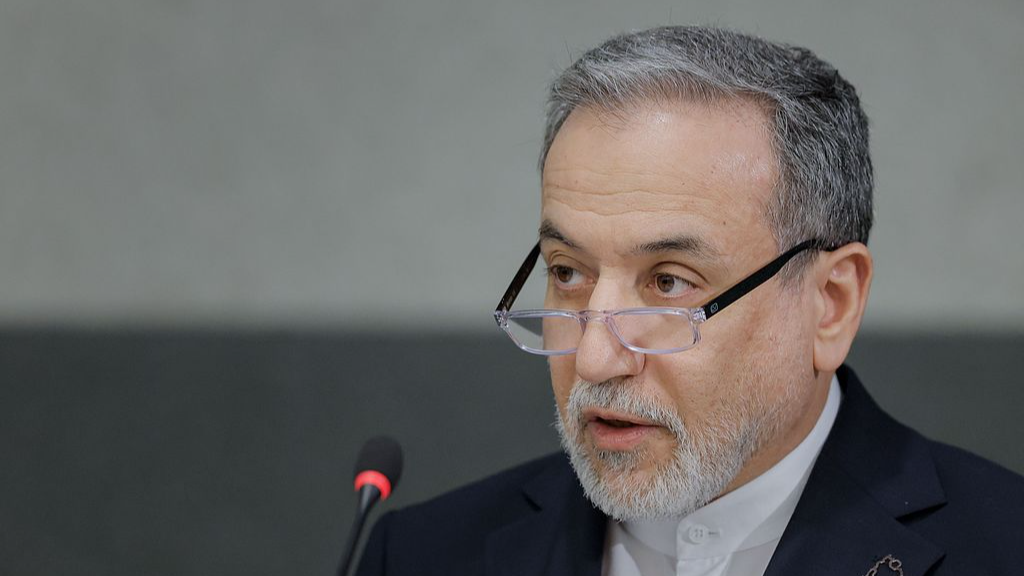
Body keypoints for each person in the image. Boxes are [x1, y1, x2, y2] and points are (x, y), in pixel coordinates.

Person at [355, 26, 1024, 576]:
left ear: (831, 303)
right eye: (567, 271)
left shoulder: (1001, 548)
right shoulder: (420, 555)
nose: (593, 357)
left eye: (668, 282)